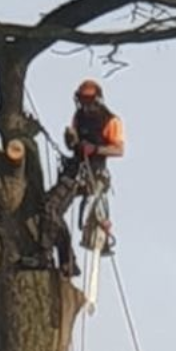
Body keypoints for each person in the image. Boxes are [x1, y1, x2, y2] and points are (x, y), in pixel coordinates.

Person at [62, 79, 124, 254]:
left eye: (88, 100)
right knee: (53, 207)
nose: (85, 105)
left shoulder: (110, 121)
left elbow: (119, 149)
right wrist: (71, 140)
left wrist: (96, 149)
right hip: (75, 169)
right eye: (82, 100)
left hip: (95, 170)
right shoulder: (78, 117)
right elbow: (73, 142)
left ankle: (100, 239)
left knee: (93, 208)